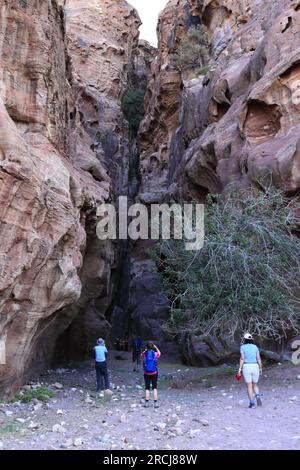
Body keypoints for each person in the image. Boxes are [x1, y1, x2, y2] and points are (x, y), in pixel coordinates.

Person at [238, 333, 263, 409]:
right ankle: (257, 395)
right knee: (255, 384)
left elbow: (242, 358)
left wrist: (239, 369)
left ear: (244, 340)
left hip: (247, 366)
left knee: (249, 386)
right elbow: (258, 358)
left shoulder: (242, 347)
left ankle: (252, 403)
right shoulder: (255, 347)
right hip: (255, 366)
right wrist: (260, 367)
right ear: (251, 340)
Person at [142, 341, 161, 408]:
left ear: (146, 347)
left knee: (147, 388)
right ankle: (155, 403)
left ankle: (146, 403)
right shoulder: (155, 353)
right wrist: (155, 347)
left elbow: (142, 354)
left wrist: (146, 349)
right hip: (154, 372)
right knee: (154, 388)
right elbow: (159, 353)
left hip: (146, 373)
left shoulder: (144, 354)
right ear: (153, 347)